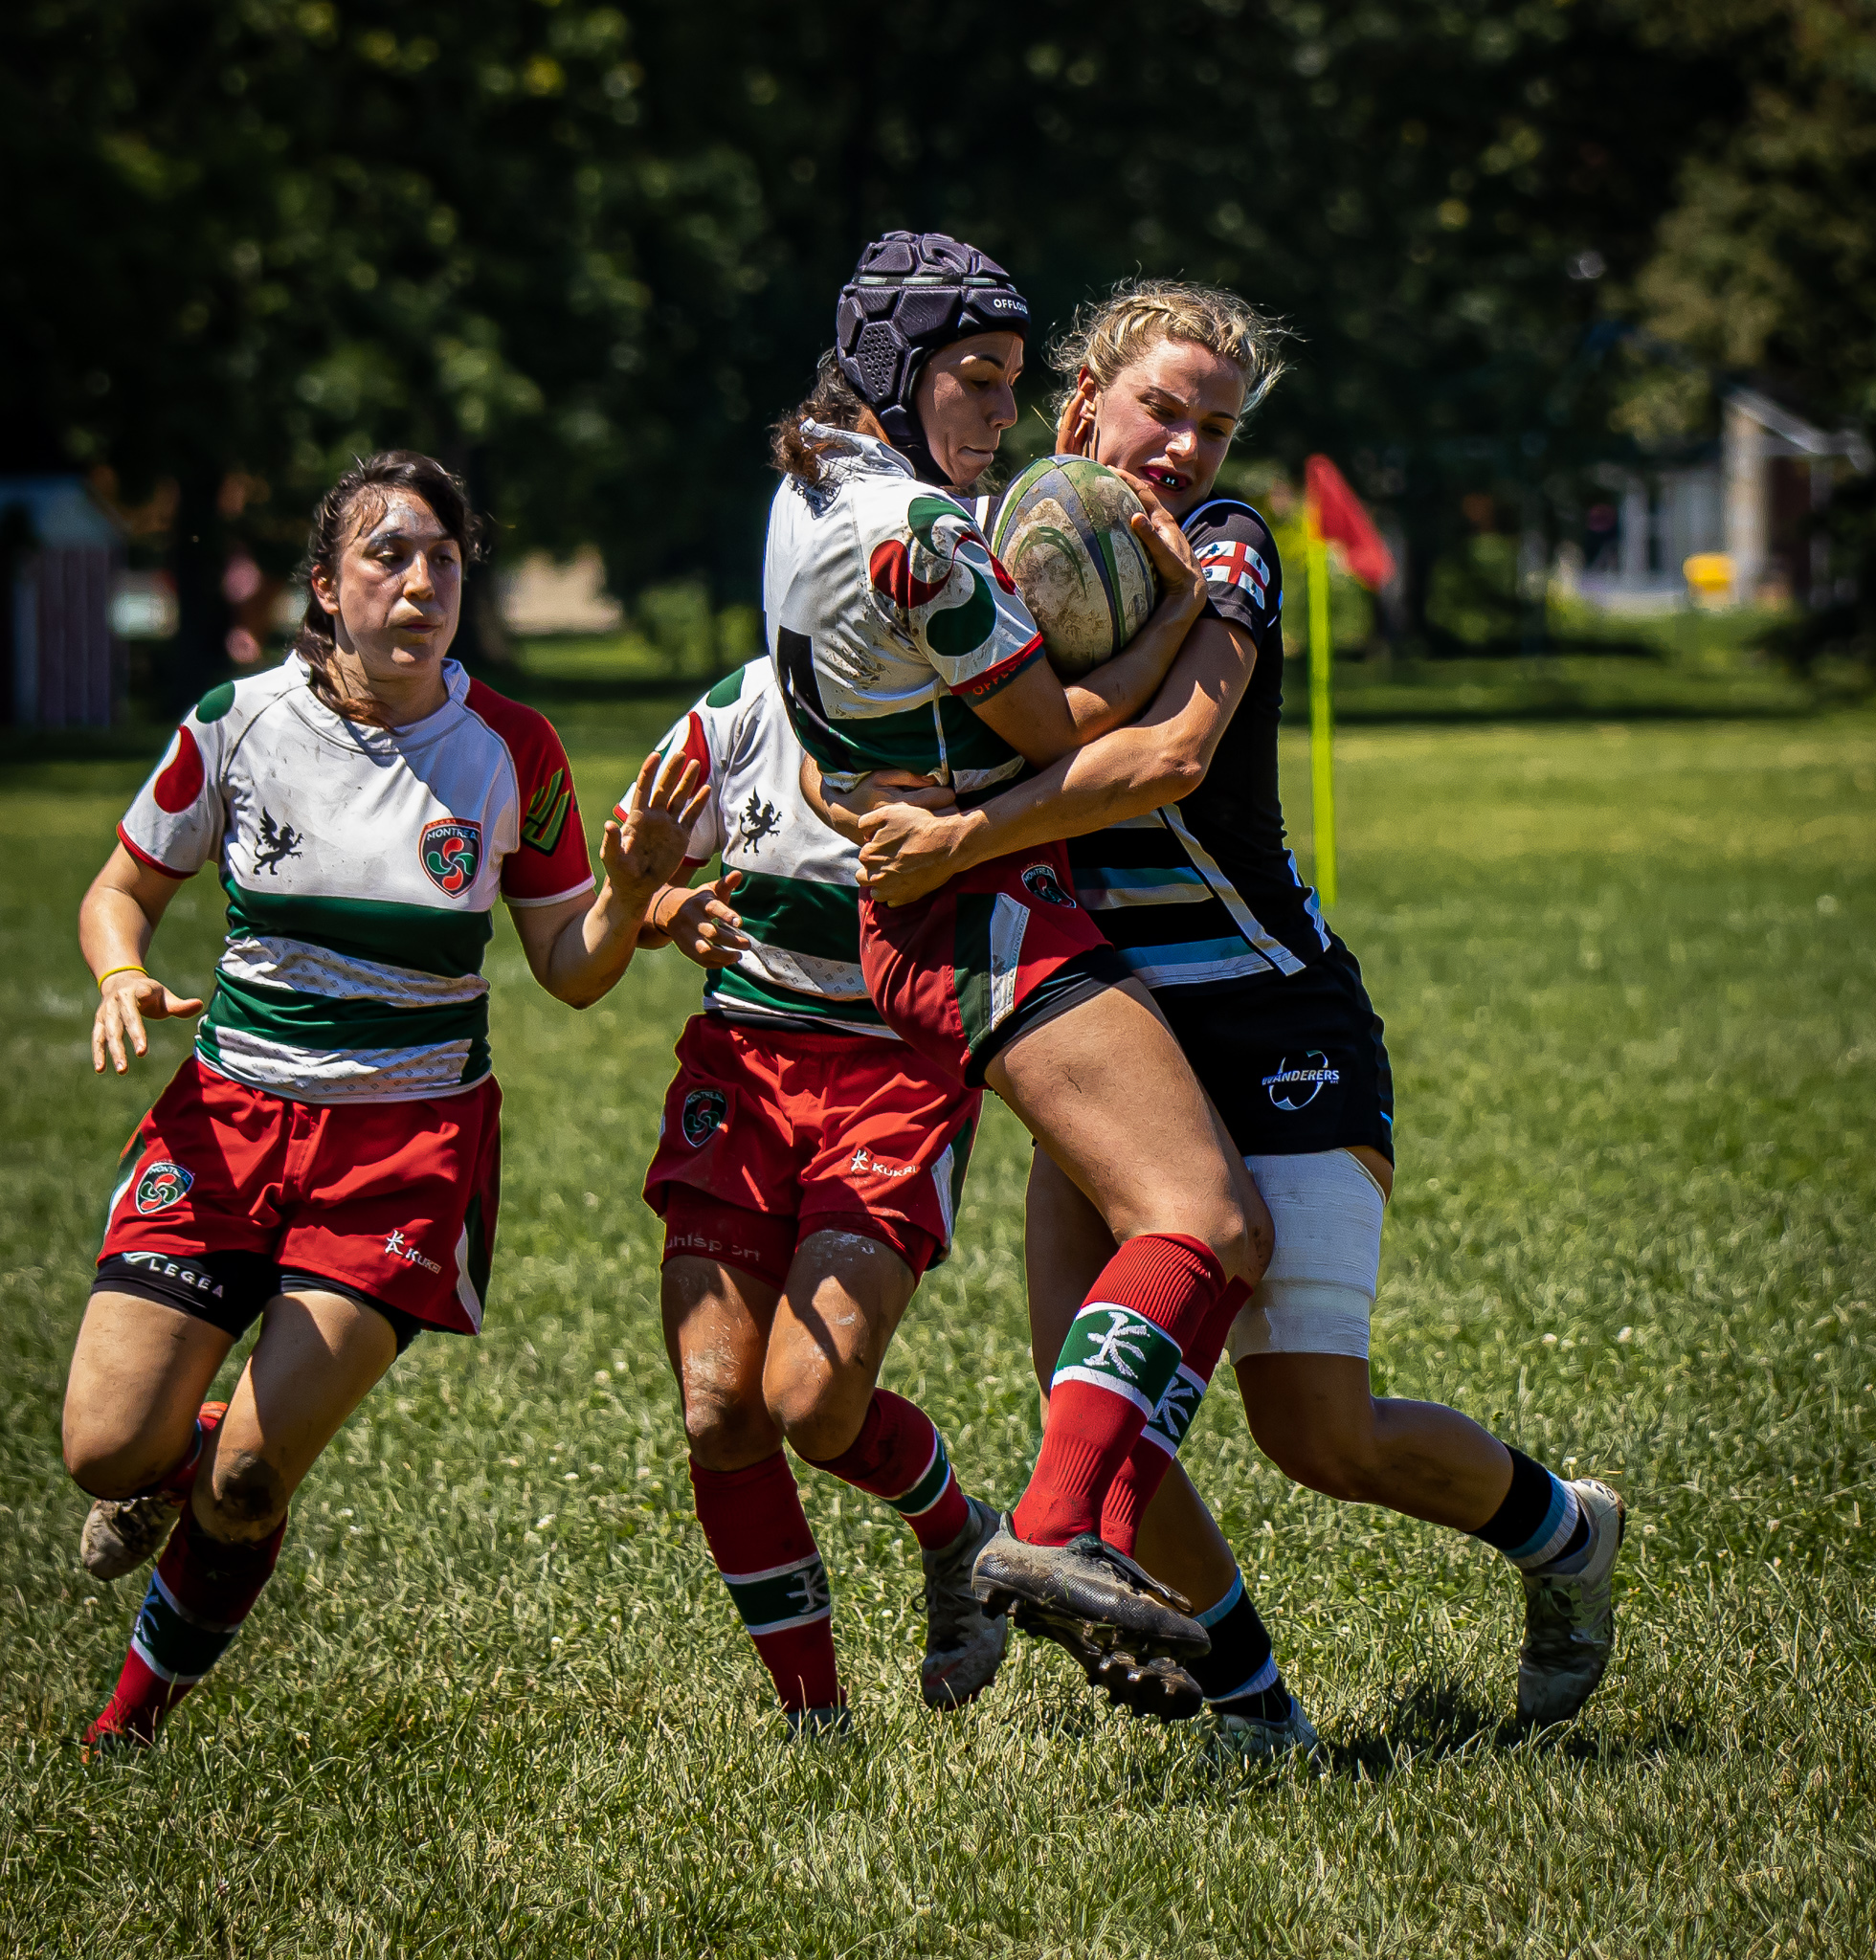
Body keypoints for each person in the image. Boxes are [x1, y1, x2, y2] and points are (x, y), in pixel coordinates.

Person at [849, 279, 1629, 1743]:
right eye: (1164, 408)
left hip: (1277, 1026)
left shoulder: (1227, 546)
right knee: (1090, 1384)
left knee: (1319, 1436)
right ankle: (1256, 1714)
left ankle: (1564, 1534)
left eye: (1216, 423)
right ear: (1083, 395)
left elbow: (1174, 752)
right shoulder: (995, 558)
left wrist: (959, 840)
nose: (1189, 445)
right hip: (1112, 1022)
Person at [64, 451, 705, 1749]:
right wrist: (122, 970)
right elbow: (119, 890)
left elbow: (572, 973)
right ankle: (179, 1440)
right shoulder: (234, 723)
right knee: (103, 1456)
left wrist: (631, 894)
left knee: (248, 1481)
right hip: (230, 1119)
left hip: (405, 1146)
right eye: (389, 556)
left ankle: (123, 1730)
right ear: (325, 584)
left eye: (445, 561)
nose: (421, 584)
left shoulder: (512, 749)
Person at [773, 231, 1276, 1704]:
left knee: (1154, 1272)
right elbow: (1075, 734)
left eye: (1006, 382)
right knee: (1210, 1220)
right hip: (980, 909)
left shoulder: (836, 492)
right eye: (973, 382)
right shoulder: (920, 533)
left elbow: (827, 716)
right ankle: (1054, 1535)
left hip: (971, 896)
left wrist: (865, 791)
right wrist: (1178, 606)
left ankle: (1103, 1563)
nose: (991, 413)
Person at [622, 654, 1007, 1731]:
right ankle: (816, 1717)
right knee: (719, 1408)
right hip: (743, 1066)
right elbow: (634, 873)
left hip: (898, 1068)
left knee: (812, 1400)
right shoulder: (736, 710)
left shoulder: (974, 703)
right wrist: (665, 903)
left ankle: (956, 1531)